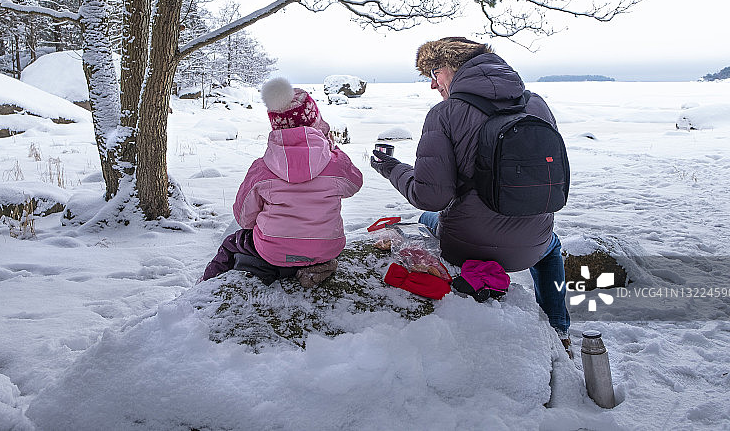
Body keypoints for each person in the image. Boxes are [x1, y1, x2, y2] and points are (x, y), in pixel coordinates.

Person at [369, 37, 571, 353]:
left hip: (466, 245)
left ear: (454, 66)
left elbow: (430, 197)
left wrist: (391, 167)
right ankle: (559, 330)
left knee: (426, 218)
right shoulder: (537, 105)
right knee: (552, 247)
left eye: (435, 72)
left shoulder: (444, 114)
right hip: (533, 246)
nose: (433, 85)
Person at [203, 77, 363, 288]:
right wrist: (334, 151)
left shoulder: (262, 168)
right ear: (316, 124)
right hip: (327, 248)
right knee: (311, 247)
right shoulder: (335, 163)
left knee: (232, 243)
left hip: (273, 251)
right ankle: (314, 267)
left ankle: (206, 287)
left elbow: (244, 218)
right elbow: (355, 183)